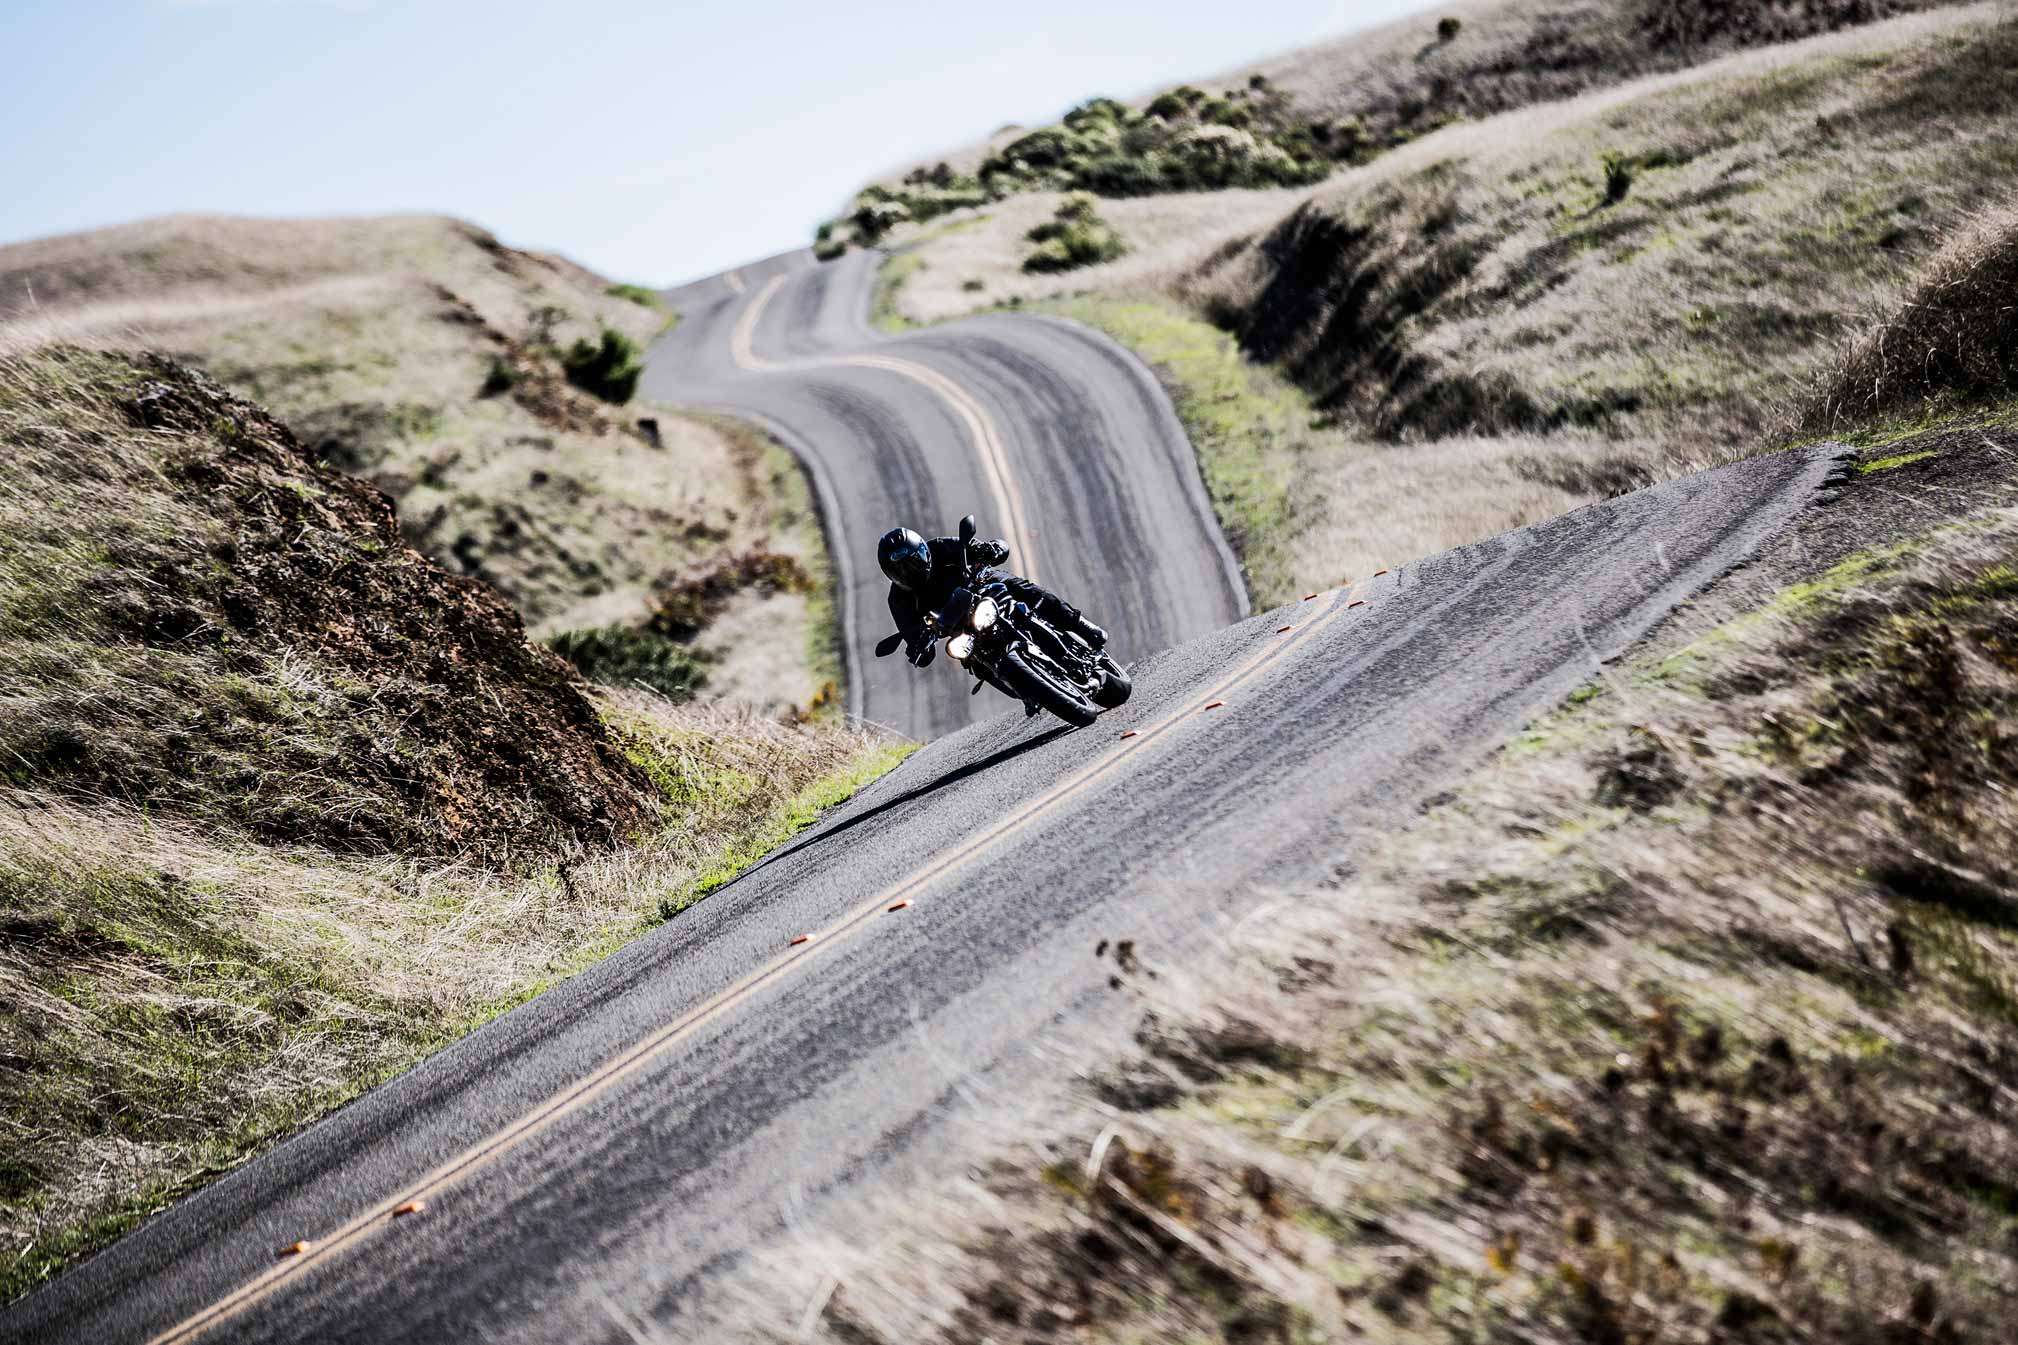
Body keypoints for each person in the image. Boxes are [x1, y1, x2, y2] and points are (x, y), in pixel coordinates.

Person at [877, 525, 1105, 670]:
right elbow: (913, 637)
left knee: (1026, 591)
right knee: (971, 661)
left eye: (913, 562)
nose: (909, 571)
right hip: (959, 625)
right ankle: (1021, 686)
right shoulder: (898, 599)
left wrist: (991, 549)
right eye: (900, 570)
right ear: (890, 574)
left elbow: (988, 548)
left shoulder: (940, 548)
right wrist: (918, 648)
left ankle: (1081, 625)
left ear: (923, 552)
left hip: (984, 589)